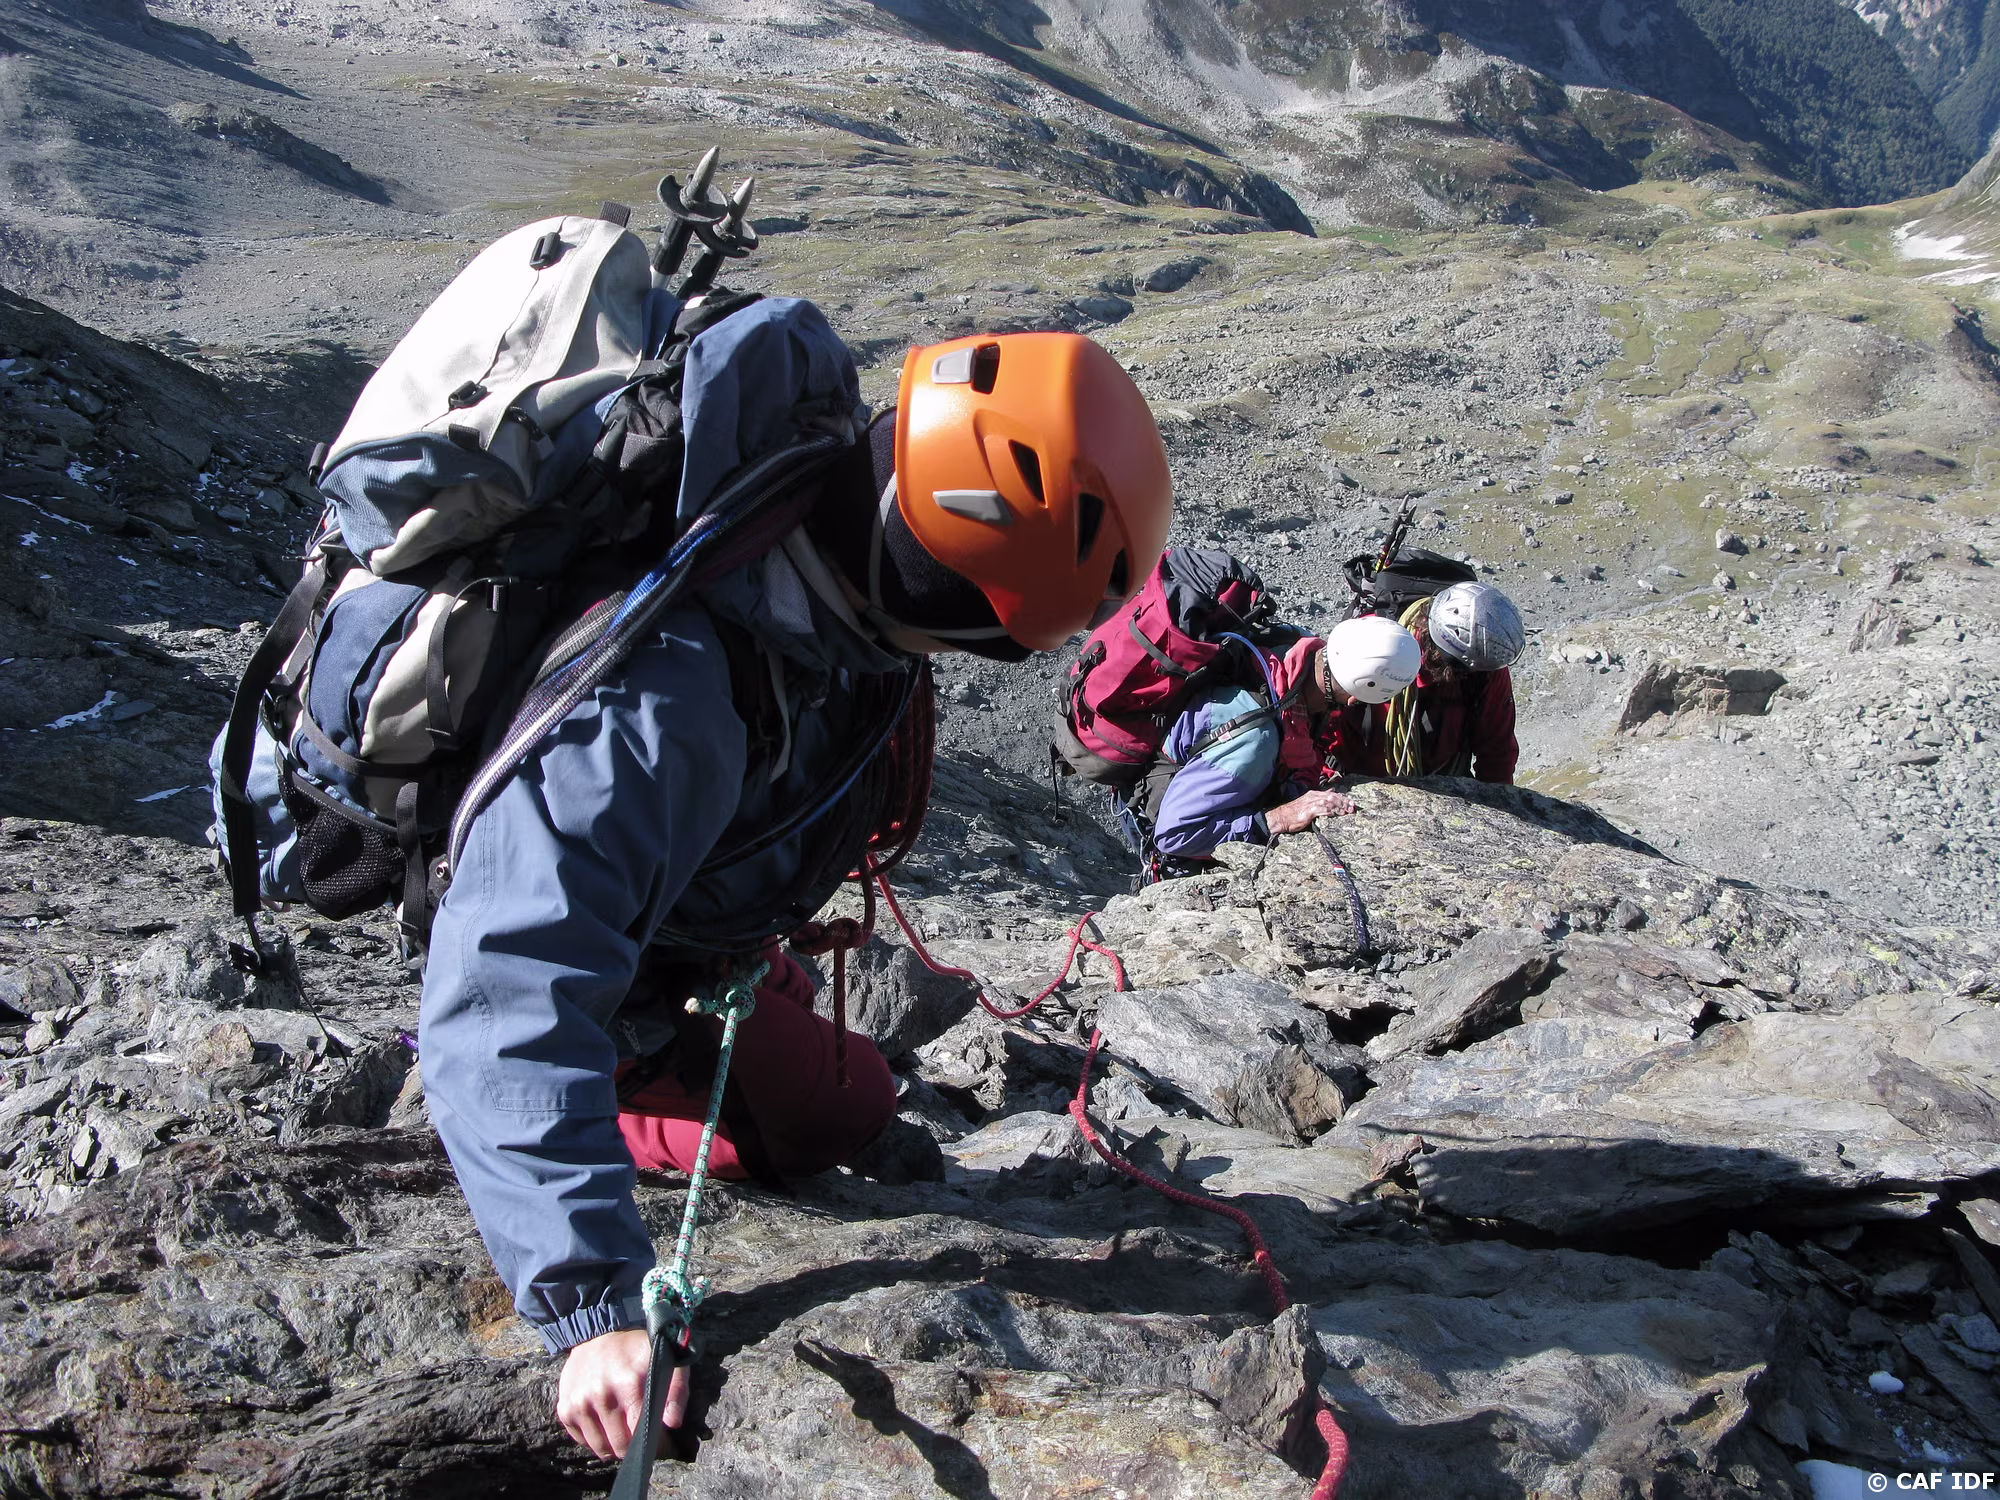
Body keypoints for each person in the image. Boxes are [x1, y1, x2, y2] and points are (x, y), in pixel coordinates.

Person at [415, 330, 1172, 1461]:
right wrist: (594, 1307)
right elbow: (505, 989)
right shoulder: (655, 710)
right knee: (836, 1110)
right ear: (946, 593)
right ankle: (576, 1111)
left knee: (835, 1072)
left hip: (677, 938)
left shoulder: (813, 551)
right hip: (576, 984)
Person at [1137, 614, 1421, 872]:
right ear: (1354, 700)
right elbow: (1175, 835)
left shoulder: (1296, 652)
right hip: (1175, 838)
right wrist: (1280, 817)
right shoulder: (1255, 741)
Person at [1355, 581, 1525, 784]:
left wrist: (1497, 797)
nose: (1465, 675)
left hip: (1444, 779)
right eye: (1459, 667)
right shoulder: (1373, 642)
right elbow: (1329, 709)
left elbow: (1497, 749)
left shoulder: (1485, 666)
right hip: (1360, 777)